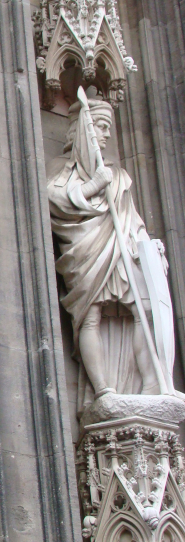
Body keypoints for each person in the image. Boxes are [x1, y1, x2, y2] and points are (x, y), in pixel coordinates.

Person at [47, 96, 167, 399]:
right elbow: (54, 200)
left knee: (145, 309)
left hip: (121, 246)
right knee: (90, 317)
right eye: (100, 127)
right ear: (82, 129)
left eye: (108, 128)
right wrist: (93, 186)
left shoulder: (116, 173)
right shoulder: (62, 168)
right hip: (86, 251)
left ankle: (151, 384)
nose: (107, 134)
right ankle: (103, 390)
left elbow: (131, 217)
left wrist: (150, 247)